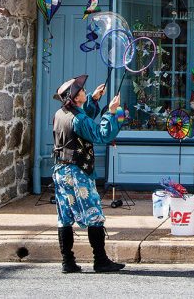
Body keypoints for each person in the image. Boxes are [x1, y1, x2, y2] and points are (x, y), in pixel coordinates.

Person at [52, 75, 126, 273]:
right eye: (82, 91)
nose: (85, 91)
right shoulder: (78, 119)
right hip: (78, 172)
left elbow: (83, 120)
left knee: (64, 217)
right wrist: (111, 113)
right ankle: (100, 261)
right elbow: (100, 134)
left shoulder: (61, 114)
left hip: (60, 172)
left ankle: (67, 262)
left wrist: (93, 100)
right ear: (76, 98)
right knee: (94, 215)